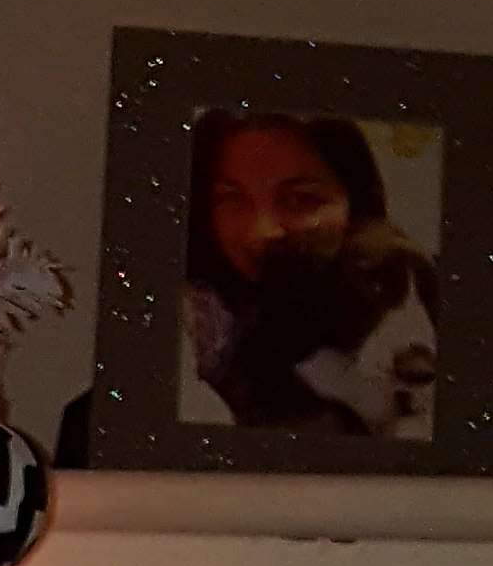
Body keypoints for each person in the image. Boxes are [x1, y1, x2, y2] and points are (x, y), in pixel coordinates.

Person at [182, 113, 439, 440]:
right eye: (232, 198)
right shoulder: (190, 322)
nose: (264, 231)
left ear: (355, 206)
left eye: (300, 198)